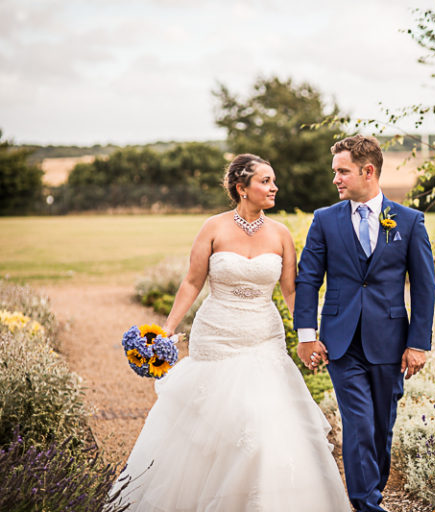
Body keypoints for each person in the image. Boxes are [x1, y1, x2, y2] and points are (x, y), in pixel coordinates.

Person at [114, 154, 348, 511]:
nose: (274, 187)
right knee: (214, 421)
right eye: (266, 181)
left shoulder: (281, 234)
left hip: (263, 338)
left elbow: (291, 291)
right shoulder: (213, 228)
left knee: (262, 422)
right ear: (242, 188)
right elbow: (192, 282)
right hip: (216, 337)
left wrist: (308, 335)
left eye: (274, 181)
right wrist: (167, 330)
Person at [294, 135, 435, 512]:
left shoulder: (409, 221)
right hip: (341, 343)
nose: (335, 179)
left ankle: (372, 494)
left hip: (390, 341)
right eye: (335, 171)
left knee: (381, 427)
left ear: (368, 171)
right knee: (358, 423)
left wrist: (418, 343)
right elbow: (308, 279)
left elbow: (424, 287)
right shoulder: (325, 220)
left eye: (343, 171)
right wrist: (307, 336)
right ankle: (367, 504)